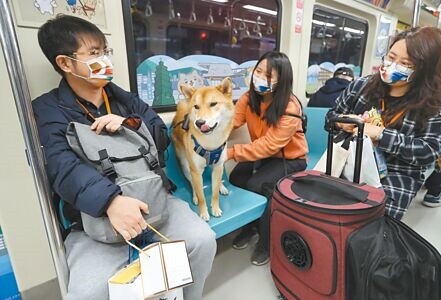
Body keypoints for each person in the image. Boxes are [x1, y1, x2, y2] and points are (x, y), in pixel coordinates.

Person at [32, 15, 216, 300]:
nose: (104, 59)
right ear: (65, 63)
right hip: (95, 215)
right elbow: (60, 166)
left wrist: (130, 124)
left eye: (105, 51)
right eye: (94, 53)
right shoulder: (48, 109)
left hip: (153, 197)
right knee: (87, 293)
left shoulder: (125, 100)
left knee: (203, 241)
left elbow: (160, 134)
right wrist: (110, 201)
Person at [328, 26, 441, 220]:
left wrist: (380, 135)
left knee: (372, 220)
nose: (392, 65)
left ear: (424, 70)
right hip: (350, 158)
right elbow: (331, 117)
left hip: (397, 172)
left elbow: (429, 152)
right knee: (324, 205)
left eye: (405, 63)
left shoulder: (437, 103)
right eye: (391, 57)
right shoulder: (362, 86)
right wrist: (343, 123)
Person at [227, 51, 308, 265]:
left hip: (290, 159)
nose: (261, 78)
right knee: (236, 179)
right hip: (264, 156)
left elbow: (270, 145)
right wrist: (207, 134)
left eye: (269, 75)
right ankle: (250, 227)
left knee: (257, 185)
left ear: (282, 81)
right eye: (259, 72)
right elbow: (231, 124)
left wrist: (231, 153)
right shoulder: (248, 98)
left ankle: (266, 241)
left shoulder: (290, 107)